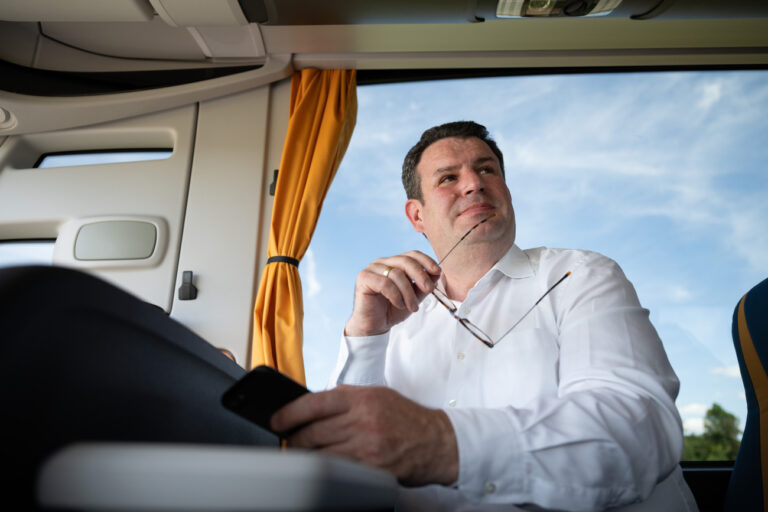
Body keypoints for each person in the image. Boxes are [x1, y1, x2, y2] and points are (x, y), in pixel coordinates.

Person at [271, 121, 699, 511]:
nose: (474, 184)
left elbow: (635, 432)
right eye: (448, 178)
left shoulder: (581, 276)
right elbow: (344, 465)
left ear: (507, 191)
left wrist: (440, 442)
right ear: (416, 215)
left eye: (487, 170)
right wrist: (365, 338)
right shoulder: (390, 316)